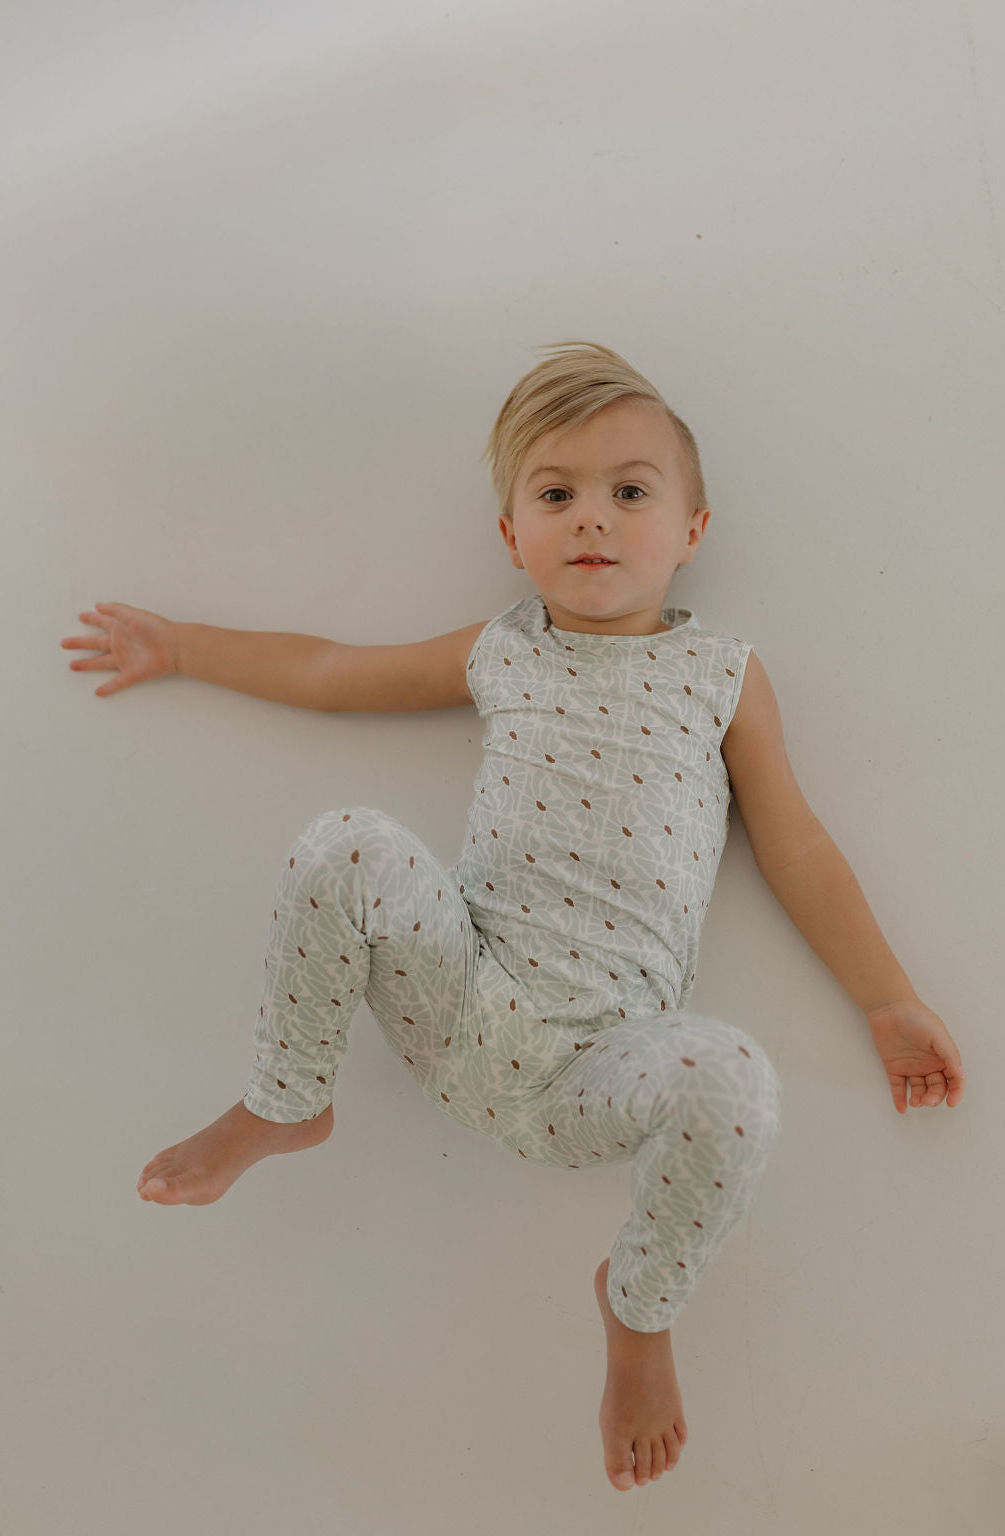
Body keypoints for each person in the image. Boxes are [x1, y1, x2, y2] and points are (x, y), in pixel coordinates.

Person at [61, 339, 965, 1494]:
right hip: (463, 1001)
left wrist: (887, 999)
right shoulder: (503, 650)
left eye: (628, 492)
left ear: (691, 529)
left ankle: (637, 1310)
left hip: (606, 1063)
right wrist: (183, 645)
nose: (591, 518)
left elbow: (794, 846)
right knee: (345, 840)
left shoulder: (724, 677)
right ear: (510, 536)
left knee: (737, 1081)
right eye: (555, 495)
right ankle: (286, 1103)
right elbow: (333, 670)